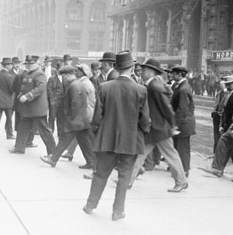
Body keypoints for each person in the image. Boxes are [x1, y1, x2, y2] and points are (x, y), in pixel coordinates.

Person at [82, 51, 150, 221]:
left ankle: (90, 205)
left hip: (107, 139)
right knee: (124, 177)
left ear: (116, 67)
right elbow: (145, 120)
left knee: (100, 174)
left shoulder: (105, 87)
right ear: (132, 68)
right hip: (130, 140)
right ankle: (117, 211)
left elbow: (97, 117)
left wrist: (99, 133)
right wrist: (142, 132)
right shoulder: (141, 90)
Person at [128, 58, 188, 192]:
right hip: (155, 128)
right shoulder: (152, 85)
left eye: (144, 69)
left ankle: (181, 181)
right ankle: (127, 181)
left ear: (151, 71)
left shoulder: (154, 87)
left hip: (160, 129)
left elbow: (166, 107)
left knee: (170, 156)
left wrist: (173, 125)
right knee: (140, 154)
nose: (141, 71)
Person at [40, 65, 94, 168]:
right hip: (81, 120)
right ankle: (91, 162)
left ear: (68, 75)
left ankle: (53, 159)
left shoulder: (74, 86)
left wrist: (70, 119)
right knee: (84, 142)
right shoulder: (77, 84)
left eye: (64, 76)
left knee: (64, 140)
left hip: (76, 120)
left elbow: (75, 104)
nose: (63, 78)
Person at [199, 75, 233, 183]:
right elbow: (224, 111)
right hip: (227, 126)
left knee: (223, 144)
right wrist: (221, 125)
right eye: (226, 84)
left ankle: (217, 168)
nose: (227, 86)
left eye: (229, 84)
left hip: (232, 127)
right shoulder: (228, 94)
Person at [9, 55, 56, 155]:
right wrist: (21, 94)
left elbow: (40, 88)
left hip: (37, 109)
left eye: (31, 64)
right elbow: (25, 87)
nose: (28, 66)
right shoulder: (28, 74)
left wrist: (27, 96)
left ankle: (53, 153)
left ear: (36, 63)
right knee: (22, 128)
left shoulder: (39, 74)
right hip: (28, 109)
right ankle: (19, 148)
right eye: (27, 64)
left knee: (44, 131)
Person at [60, 63, 96, 169]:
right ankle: (89, 160)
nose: (76, 72)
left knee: (85, 138)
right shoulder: (83, 82)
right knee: (82, 137)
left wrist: (74, 116)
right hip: (84, 113)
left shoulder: (83, 84)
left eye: (78, 70)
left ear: (83, 72)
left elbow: (78, 101)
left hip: (85, 113)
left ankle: (56, 156)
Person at [170, 65, 196, 177]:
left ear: (180, 74)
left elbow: (182, 109)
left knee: (182, 148)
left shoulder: (183, 89)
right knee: (178, 146)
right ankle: (179, 169)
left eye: (174, 73)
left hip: (184, 123)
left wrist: (175, 125)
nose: (172, 75)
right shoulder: (181, 86)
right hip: (184, 122)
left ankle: (184, 170)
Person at [0, 57, 15, 142]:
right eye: (11, 64)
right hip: (8, 101)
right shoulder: (10, 76)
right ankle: (9, 134)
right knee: (9, 118)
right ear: (7, 65)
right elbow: (12, 89)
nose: (12, 66)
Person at [47, 60, 65, 139]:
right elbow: (49, 89)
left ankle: (60, 134)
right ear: (57, 69)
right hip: (54, 102)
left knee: (61, 119)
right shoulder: (52, 78)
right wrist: (52, 100)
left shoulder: (66, 79)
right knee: (52, 118)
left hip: (63, 103)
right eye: (60, 68)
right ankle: (50, 133)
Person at [211, 77, 226, 153]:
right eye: (220, 84)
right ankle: (216, 152)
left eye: (223, 84)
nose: (221, 85)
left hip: (223, 117)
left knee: (221, 135)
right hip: (216, 116)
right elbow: (216, 104)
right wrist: (214, 111)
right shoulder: (219, 93)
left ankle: (221, 153)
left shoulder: (228, 94)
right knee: (216, 135)